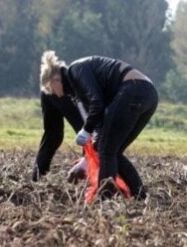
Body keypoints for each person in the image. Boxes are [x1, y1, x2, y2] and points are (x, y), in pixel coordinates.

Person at [39, 51, 158, 200]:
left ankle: (105, 200)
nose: (55, 95)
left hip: (134, 90)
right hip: (148, 94)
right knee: (113, 150)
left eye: (51, 89)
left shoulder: (76, 70)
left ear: (55, 79)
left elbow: (98, 104)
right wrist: (87, 159)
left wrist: (86, 130)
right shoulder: (77, 88)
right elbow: (102, 122)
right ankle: (140, 197)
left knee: (107, 152)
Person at [32, 91, 89, 183]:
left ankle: (37, 179)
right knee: (87, 132)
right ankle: (91, 182)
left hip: (48, 86)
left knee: (53, 135)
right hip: (66, 89)